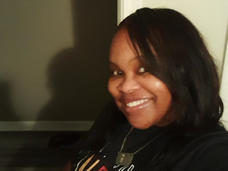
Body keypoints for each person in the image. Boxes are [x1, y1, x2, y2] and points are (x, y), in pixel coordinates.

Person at [64, 8, 228, 171]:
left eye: (144, 69)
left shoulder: (210, 152)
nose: (125, 87)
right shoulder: (114, 115)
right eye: (117, 72)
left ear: (185, 69)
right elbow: (76, 161)